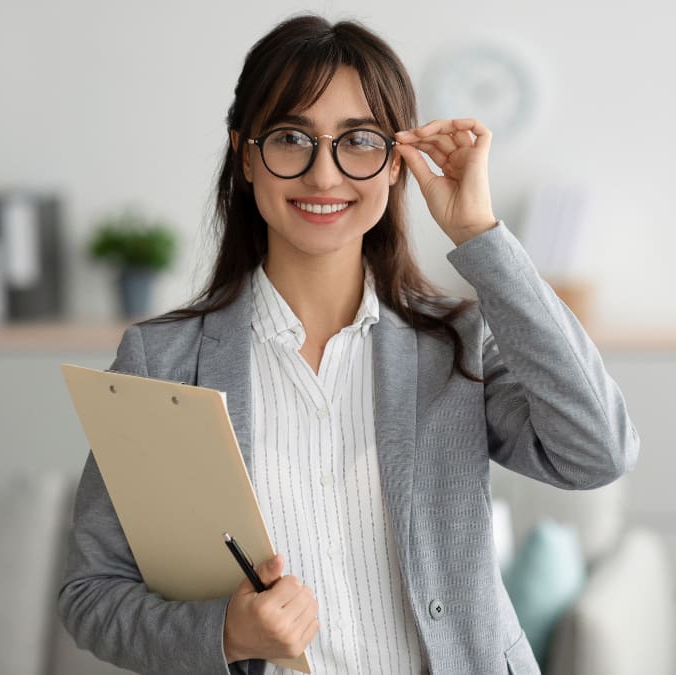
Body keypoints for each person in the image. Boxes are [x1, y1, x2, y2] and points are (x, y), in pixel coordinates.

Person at [59, 13, 638, 675]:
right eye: (289, 138)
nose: (324, 175)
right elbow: (90, 593)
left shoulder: (456, 343)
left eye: (358, 140)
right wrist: (224, 631)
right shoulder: (159, 363)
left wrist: (479, 234)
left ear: (397, 162)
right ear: (246, 155)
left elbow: (598, 450)